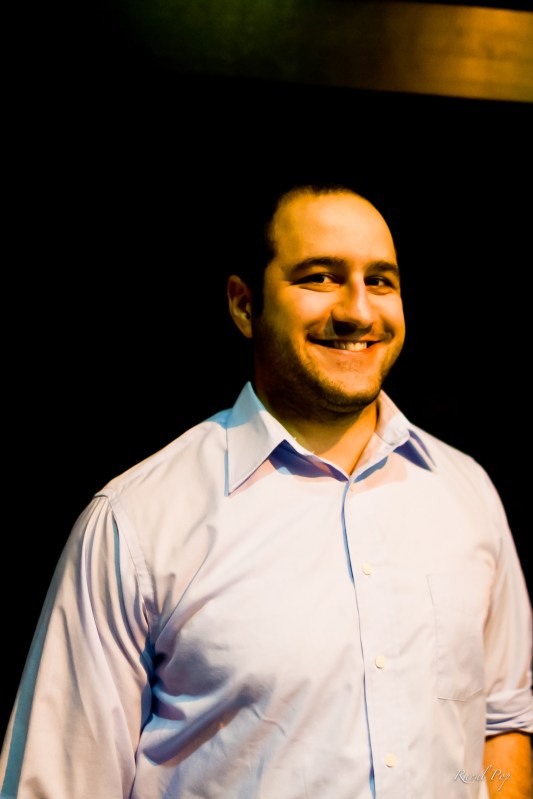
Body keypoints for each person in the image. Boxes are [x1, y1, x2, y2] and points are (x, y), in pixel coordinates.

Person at [1, 180, 532, 799]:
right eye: (320, 278)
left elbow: (501, 724)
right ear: (244, 305)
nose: (359, 311)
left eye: (380, 281)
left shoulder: (465, 493)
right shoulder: (137, 523)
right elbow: (62, 784)